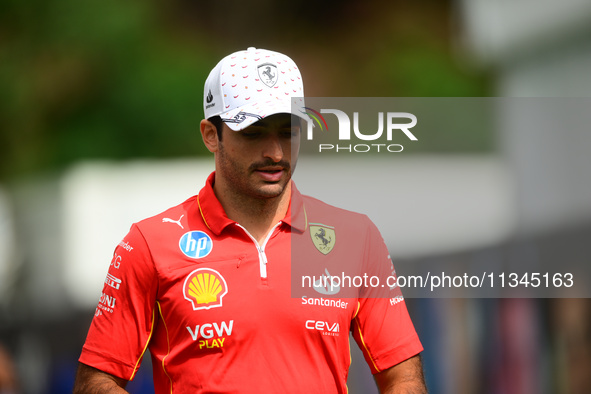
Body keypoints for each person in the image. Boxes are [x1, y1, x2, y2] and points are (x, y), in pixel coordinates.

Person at [73, 47, 426, 393]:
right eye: (253, 133)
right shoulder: (149, 244)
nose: (274, 152)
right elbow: (97, 381)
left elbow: (403, 379)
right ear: (211, 135)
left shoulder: (356, 237)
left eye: (288, 132)